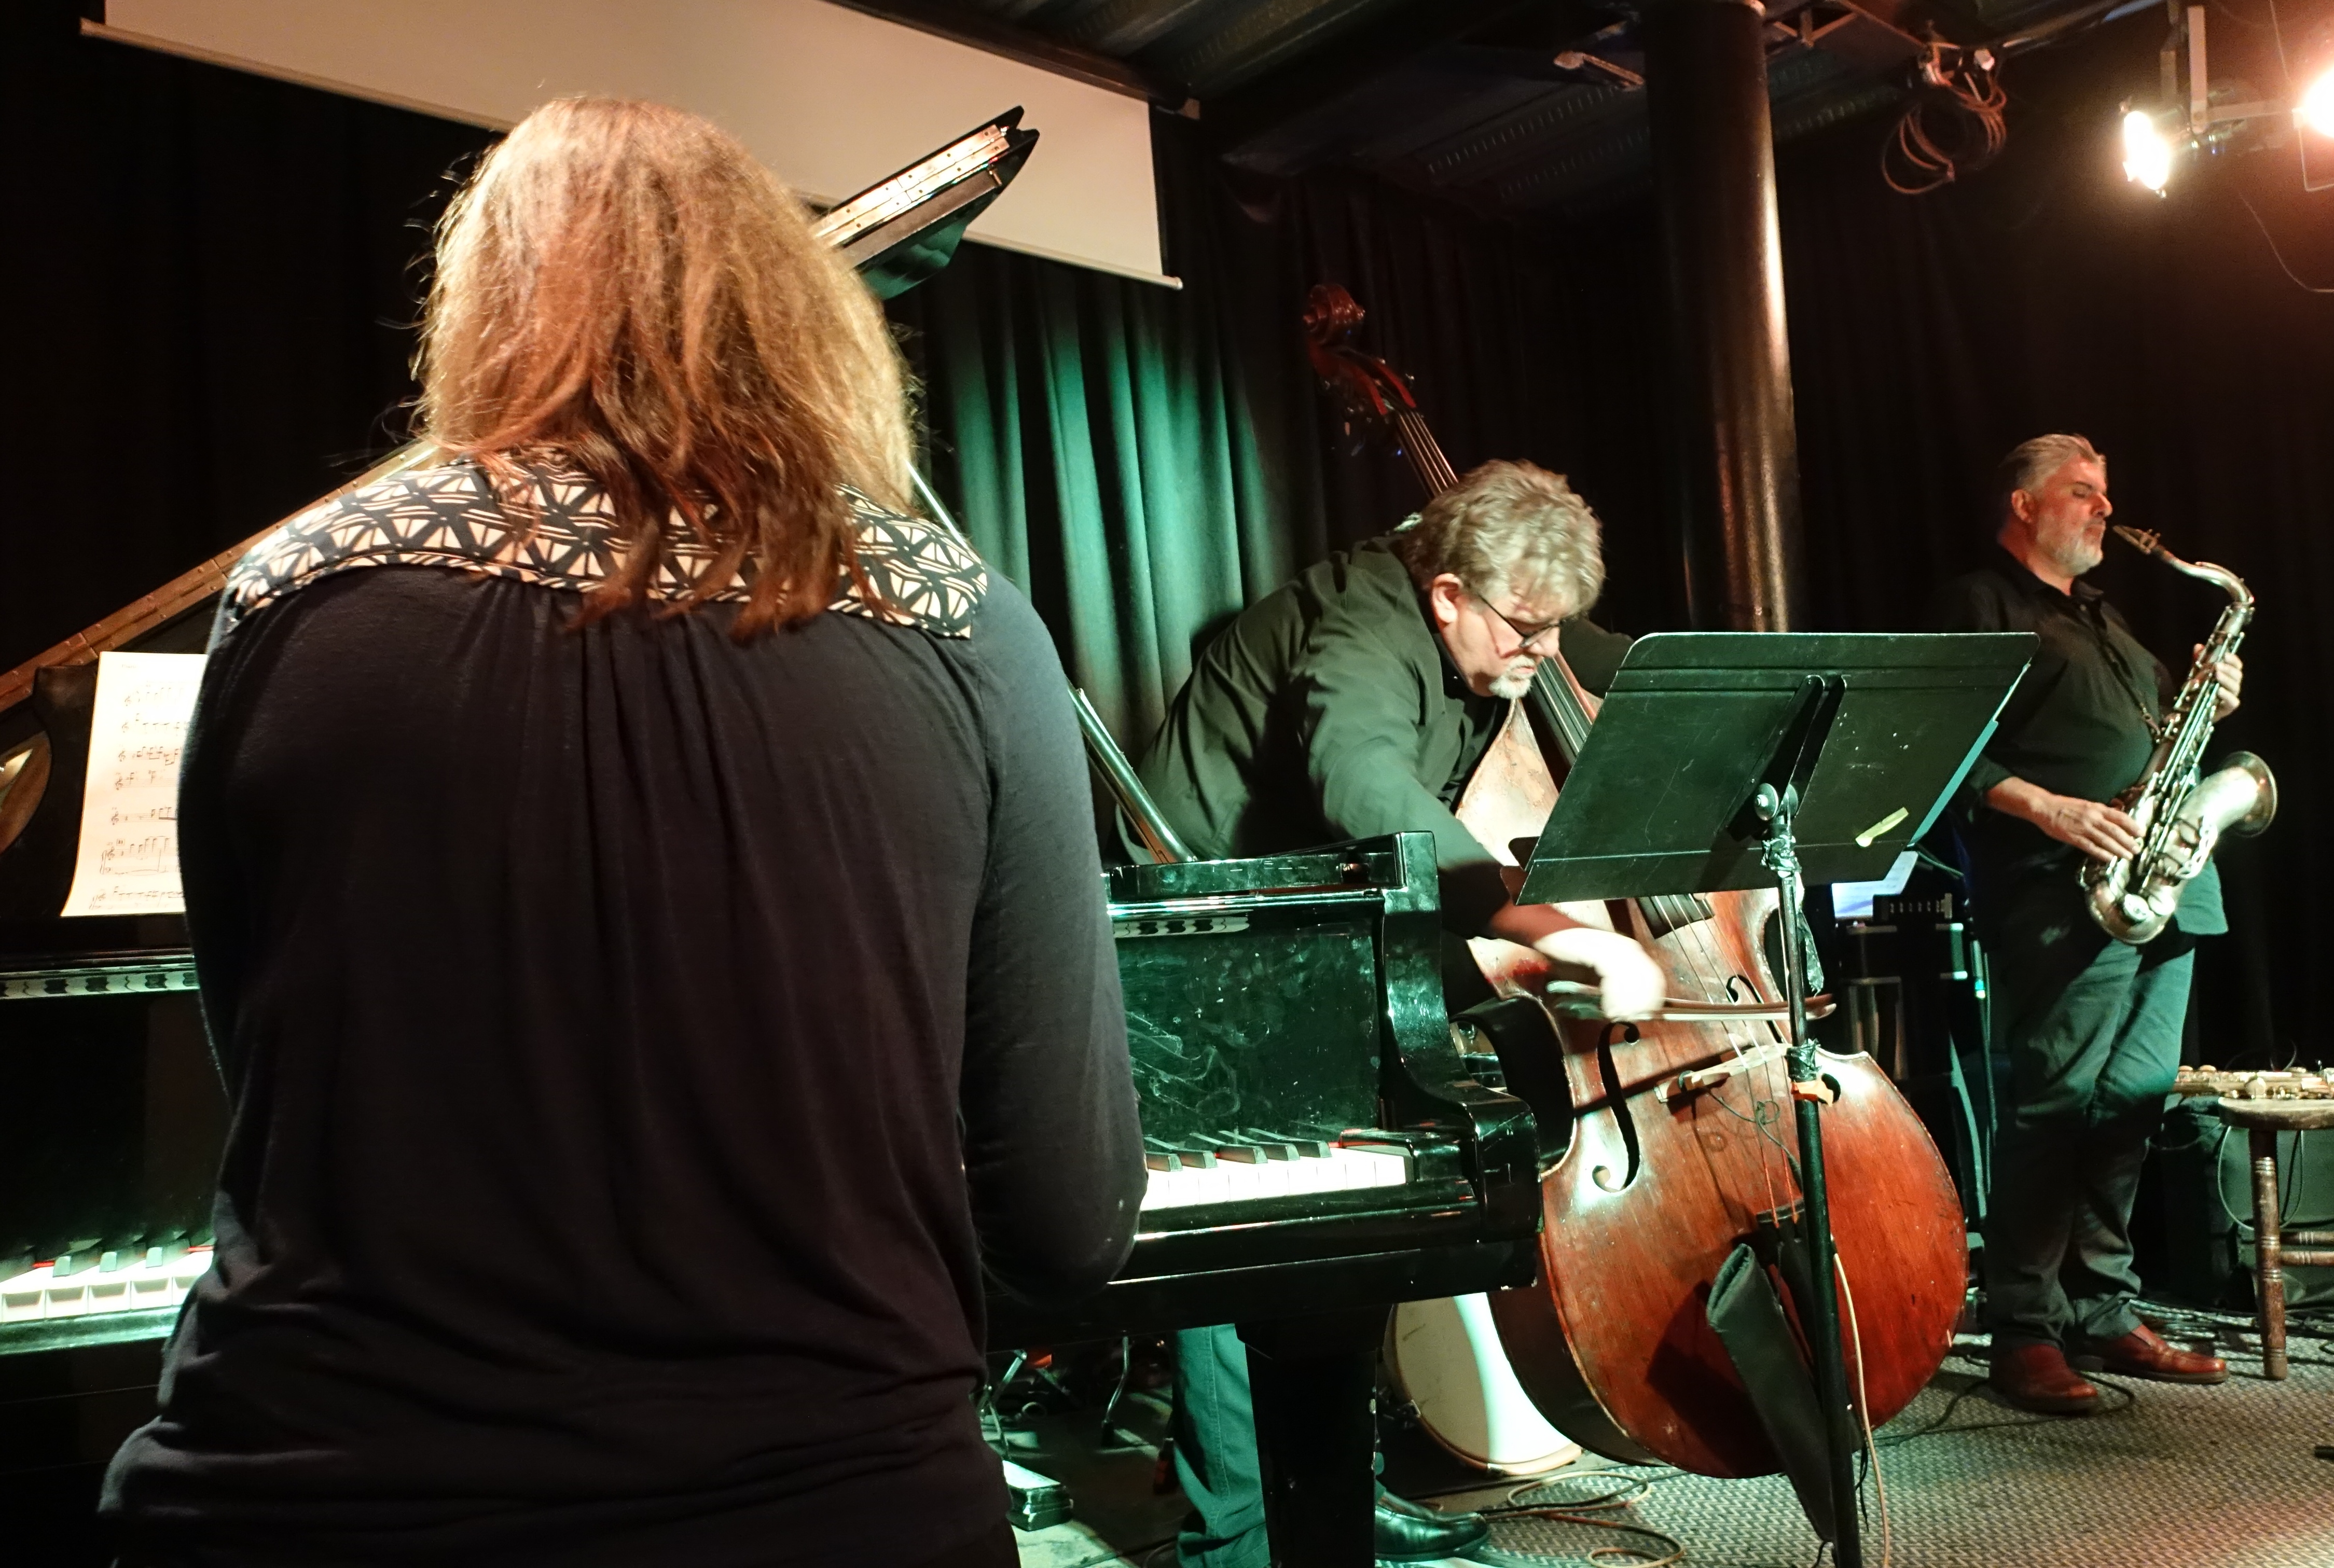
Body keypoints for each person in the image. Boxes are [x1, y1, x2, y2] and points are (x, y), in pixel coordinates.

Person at [102, 98, 1145, 1568]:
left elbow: (262, 1087)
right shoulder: (961, 621)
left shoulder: (299, 592)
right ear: (803, 320)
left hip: (301, 1508)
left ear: (483, 306)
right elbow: (1065, 1228)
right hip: (835, 1512)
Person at [1133, 459, 1664, 1566]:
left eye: (1556, 627)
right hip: (1209, 933)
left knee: (1359, 1218)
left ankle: (1336, 1485)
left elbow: (1599, 660)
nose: (1542, 653)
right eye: (1523, 628)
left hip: (1323, 926)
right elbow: (1362, 781)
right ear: (1446, 597)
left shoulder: (1501, 625)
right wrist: (1552, 931)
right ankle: (1237, 1535)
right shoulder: (1362, 631)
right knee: (1242, 1233)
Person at [1937, 433, 2240, 1414]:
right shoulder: (1981, 605)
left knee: (2137, 1101)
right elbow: (1942, 753)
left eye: (2106, 492)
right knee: (2057, 1106)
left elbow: (2154, 742)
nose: (2105, 509)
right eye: (2082, 493)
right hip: (2058, 886)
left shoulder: (2108, 617)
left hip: (2162, 881)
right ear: (2025, 505)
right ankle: (2025, 1327)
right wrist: (2049, 808)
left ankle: (2104, 1310)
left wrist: (2209, 702)